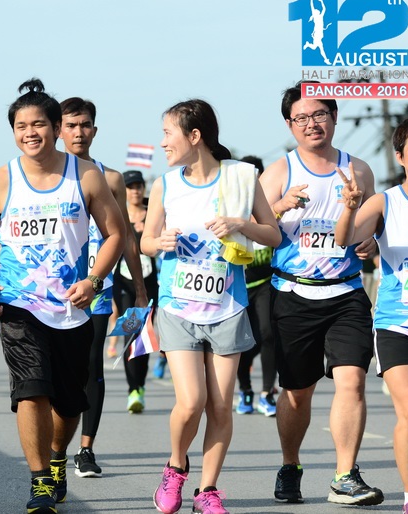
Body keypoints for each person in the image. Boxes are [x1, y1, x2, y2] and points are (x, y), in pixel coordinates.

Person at [0, 79, 124, 514]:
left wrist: (94, 280)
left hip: (72, 307)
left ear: (56, 128)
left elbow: (116, 234)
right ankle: (39, 482)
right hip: (19, 304)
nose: (29, 132)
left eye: (38, 124)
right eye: (21, 126)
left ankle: (56, 458)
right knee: (30, 391)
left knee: (69, 403)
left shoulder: (85, 176)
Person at [141, 99, 281, 514]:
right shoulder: (165, 185)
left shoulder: (240, 177)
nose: (162, 142)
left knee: (220, 405)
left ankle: (207, 490)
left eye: (168, 133)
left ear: (194, 136)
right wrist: (159, 241)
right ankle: (175, 467)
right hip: (179, 307)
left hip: (227, 307)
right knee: (191, 401)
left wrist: (241, 224)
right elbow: (145, 241)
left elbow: (273, 235)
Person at [259, 81, 384, 506]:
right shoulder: (279, 172)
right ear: (289, 125)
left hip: (346, 292)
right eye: (301, 118)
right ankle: (290, 464)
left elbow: (372, 224)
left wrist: (370, 243)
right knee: (298, 392)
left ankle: (345, 476)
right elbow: (252, 229)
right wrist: (279, 206)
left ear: (334, 117)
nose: (312, 123)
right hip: (293, 293)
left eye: (319, 114)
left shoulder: (359, 169)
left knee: (352, 380)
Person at [334, 114, 408, 514]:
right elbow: (345, 238)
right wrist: (349, 208)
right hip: (399, 323)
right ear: (401, 157)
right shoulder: (386, 202)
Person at [59, 96, 148, 479]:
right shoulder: (47, 177)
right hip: (51, 292)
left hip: (96, 289)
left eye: (85, 125)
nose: (78, 132)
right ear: (58, 130)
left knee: (91, 365)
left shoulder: (110, 179)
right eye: (71, 125)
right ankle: (55, 449)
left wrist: (140, 289)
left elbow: (125, 236)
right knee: (56, 373)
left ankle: (86, 449)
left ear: (94, 130)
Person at [233, 156, 277, 417]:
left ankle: (268, 393)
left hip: (266, 283)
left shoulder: (271, 209)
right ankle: (245, 390)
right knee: (245, 342)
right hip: (239, 284)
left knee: (269, 334)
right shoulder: (232, 208)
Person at [114, 170, 159, 415]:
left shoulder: (153, 213)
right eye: (130, 187)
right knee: (130, 335)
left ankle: (140, 386)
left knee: (144, 336)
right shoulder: (118, 213)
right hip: (124, 285)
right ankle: (132, 389)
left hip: (149, 285)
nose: (135, 191)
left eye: (138, 186)